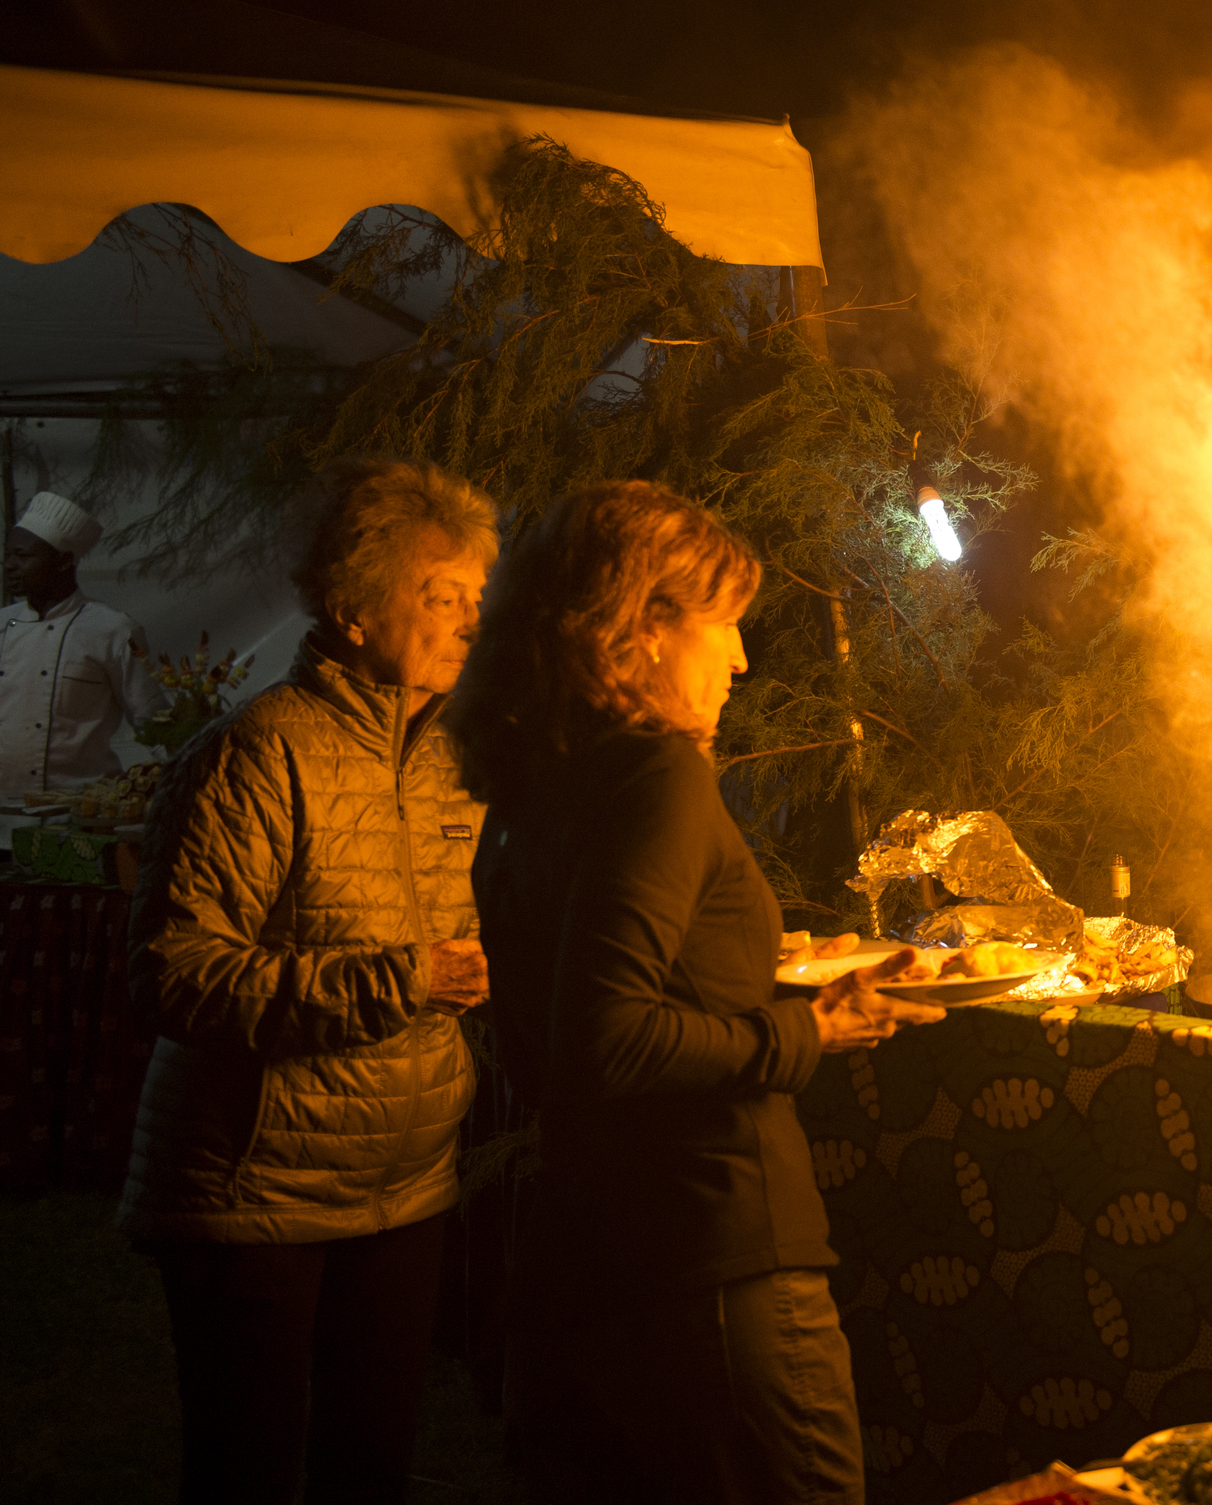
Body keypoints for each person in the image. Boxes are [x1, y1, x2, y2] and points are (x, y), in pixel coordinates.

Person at [450, 481, 943, 1505]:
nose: (741, 658)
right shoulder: (655, 776)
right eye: (721, 624)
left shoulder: (529, 786)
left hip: (582, 1258)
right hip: (710, 1257)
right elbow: (605, 1040)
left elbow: (567, 1016)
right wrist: (810, 1024)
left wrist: (762, 967)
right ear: (641, 627)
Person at [118, 458, 497, 1504]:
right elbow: (173, 976)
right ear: (354, 604)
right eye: (439, 593)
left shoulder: (451, 763)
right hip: (253, 1193)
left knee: (368, 1466)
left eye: (475, 596)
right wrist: (397, 981)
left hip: (405, 1185)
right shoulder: (255, 757)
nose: (468, 620)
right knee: (251, 1471)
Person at [1, 489, 166, 795]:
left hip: (78, 817)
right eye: (8, 554)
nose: (9, 565)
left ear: (64, 561)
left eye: (22, 556)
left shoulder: (112, 630)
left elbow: (155, 724)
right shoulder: (2, 625)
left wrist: (190, 784)